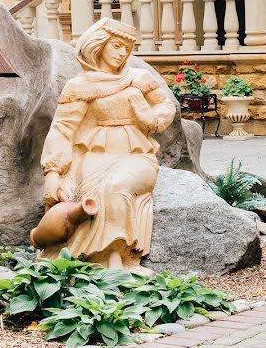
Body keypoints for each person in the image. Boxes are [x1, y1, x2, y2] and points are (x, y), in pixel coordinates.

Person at [39, 18, 176, 273]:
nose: (122, 53)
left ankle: (115, 260)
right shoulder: (80, 86)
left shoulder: (139, 78)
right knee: (85, 196)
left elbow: (166, 105)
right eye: (116, 46)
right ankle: (88, 262)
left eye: (127, 48)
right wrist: (53, 173)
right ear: (98, 45)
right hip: (94, 155)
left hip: (136, 155)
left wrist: (150, 118)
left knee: (115, 187)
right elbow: (62, 128)